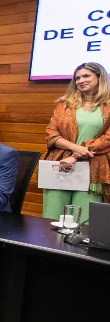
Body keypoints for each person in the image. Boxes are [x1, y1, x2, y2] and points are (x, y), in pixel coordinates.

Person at [43, 61, 110, 223]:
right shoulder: (64, 105)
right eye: (77, 78)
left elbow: (108, 138)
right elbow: (51, 133)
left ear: (100, 78)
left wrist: (76, 156)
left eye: (86, 76)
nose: (81, 80)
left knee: (83, 222)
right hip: (60, 165)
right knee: (51, 219)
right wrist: (74, 148)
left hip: (93, 168)